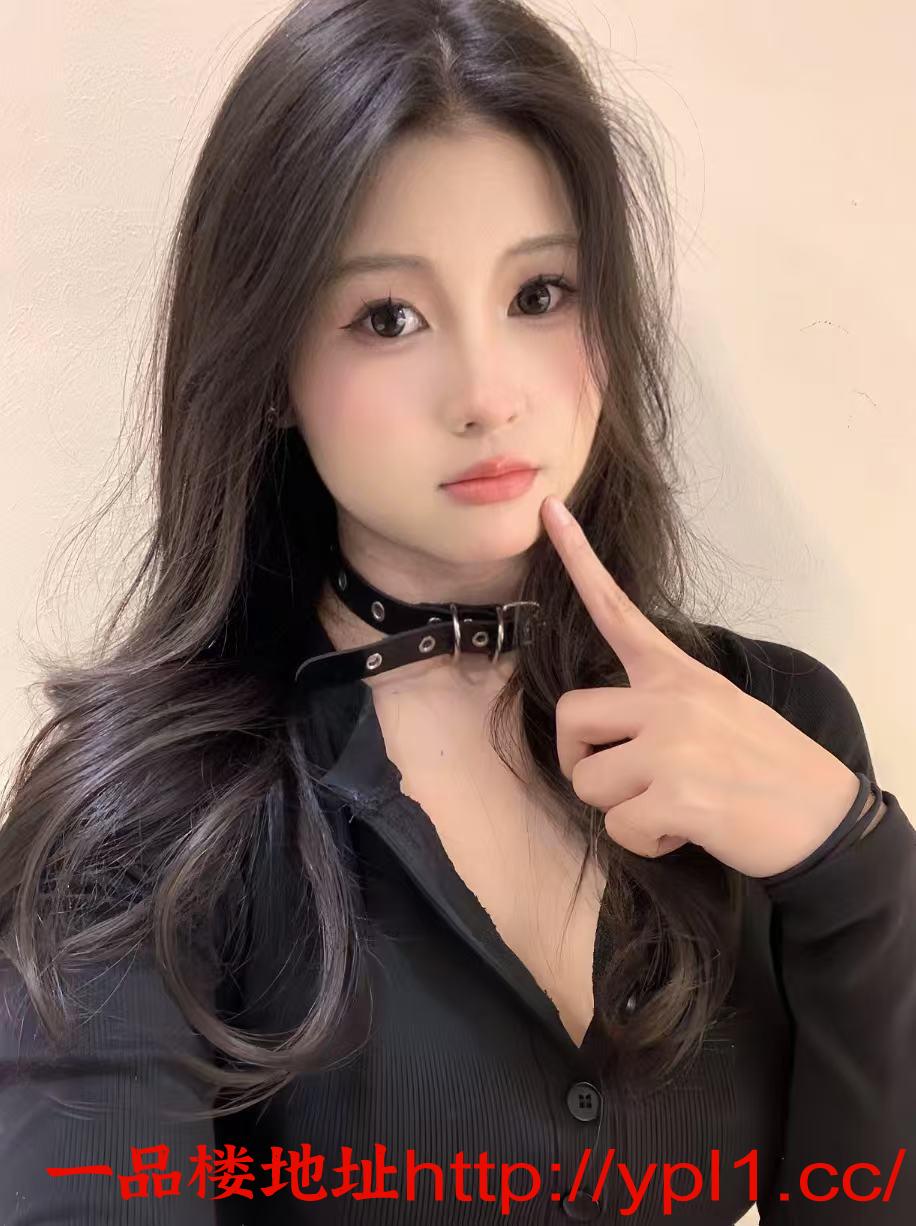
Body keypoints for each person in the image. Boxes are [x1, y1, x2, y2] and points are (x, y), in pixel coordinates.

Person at [1, 0, 913, 1222]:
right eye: (387, 317)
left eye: (541, 292)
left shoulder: (777, 728)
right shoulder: (151, 823)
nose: (486, 393)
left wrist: (853, 863)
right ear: (271, 367)